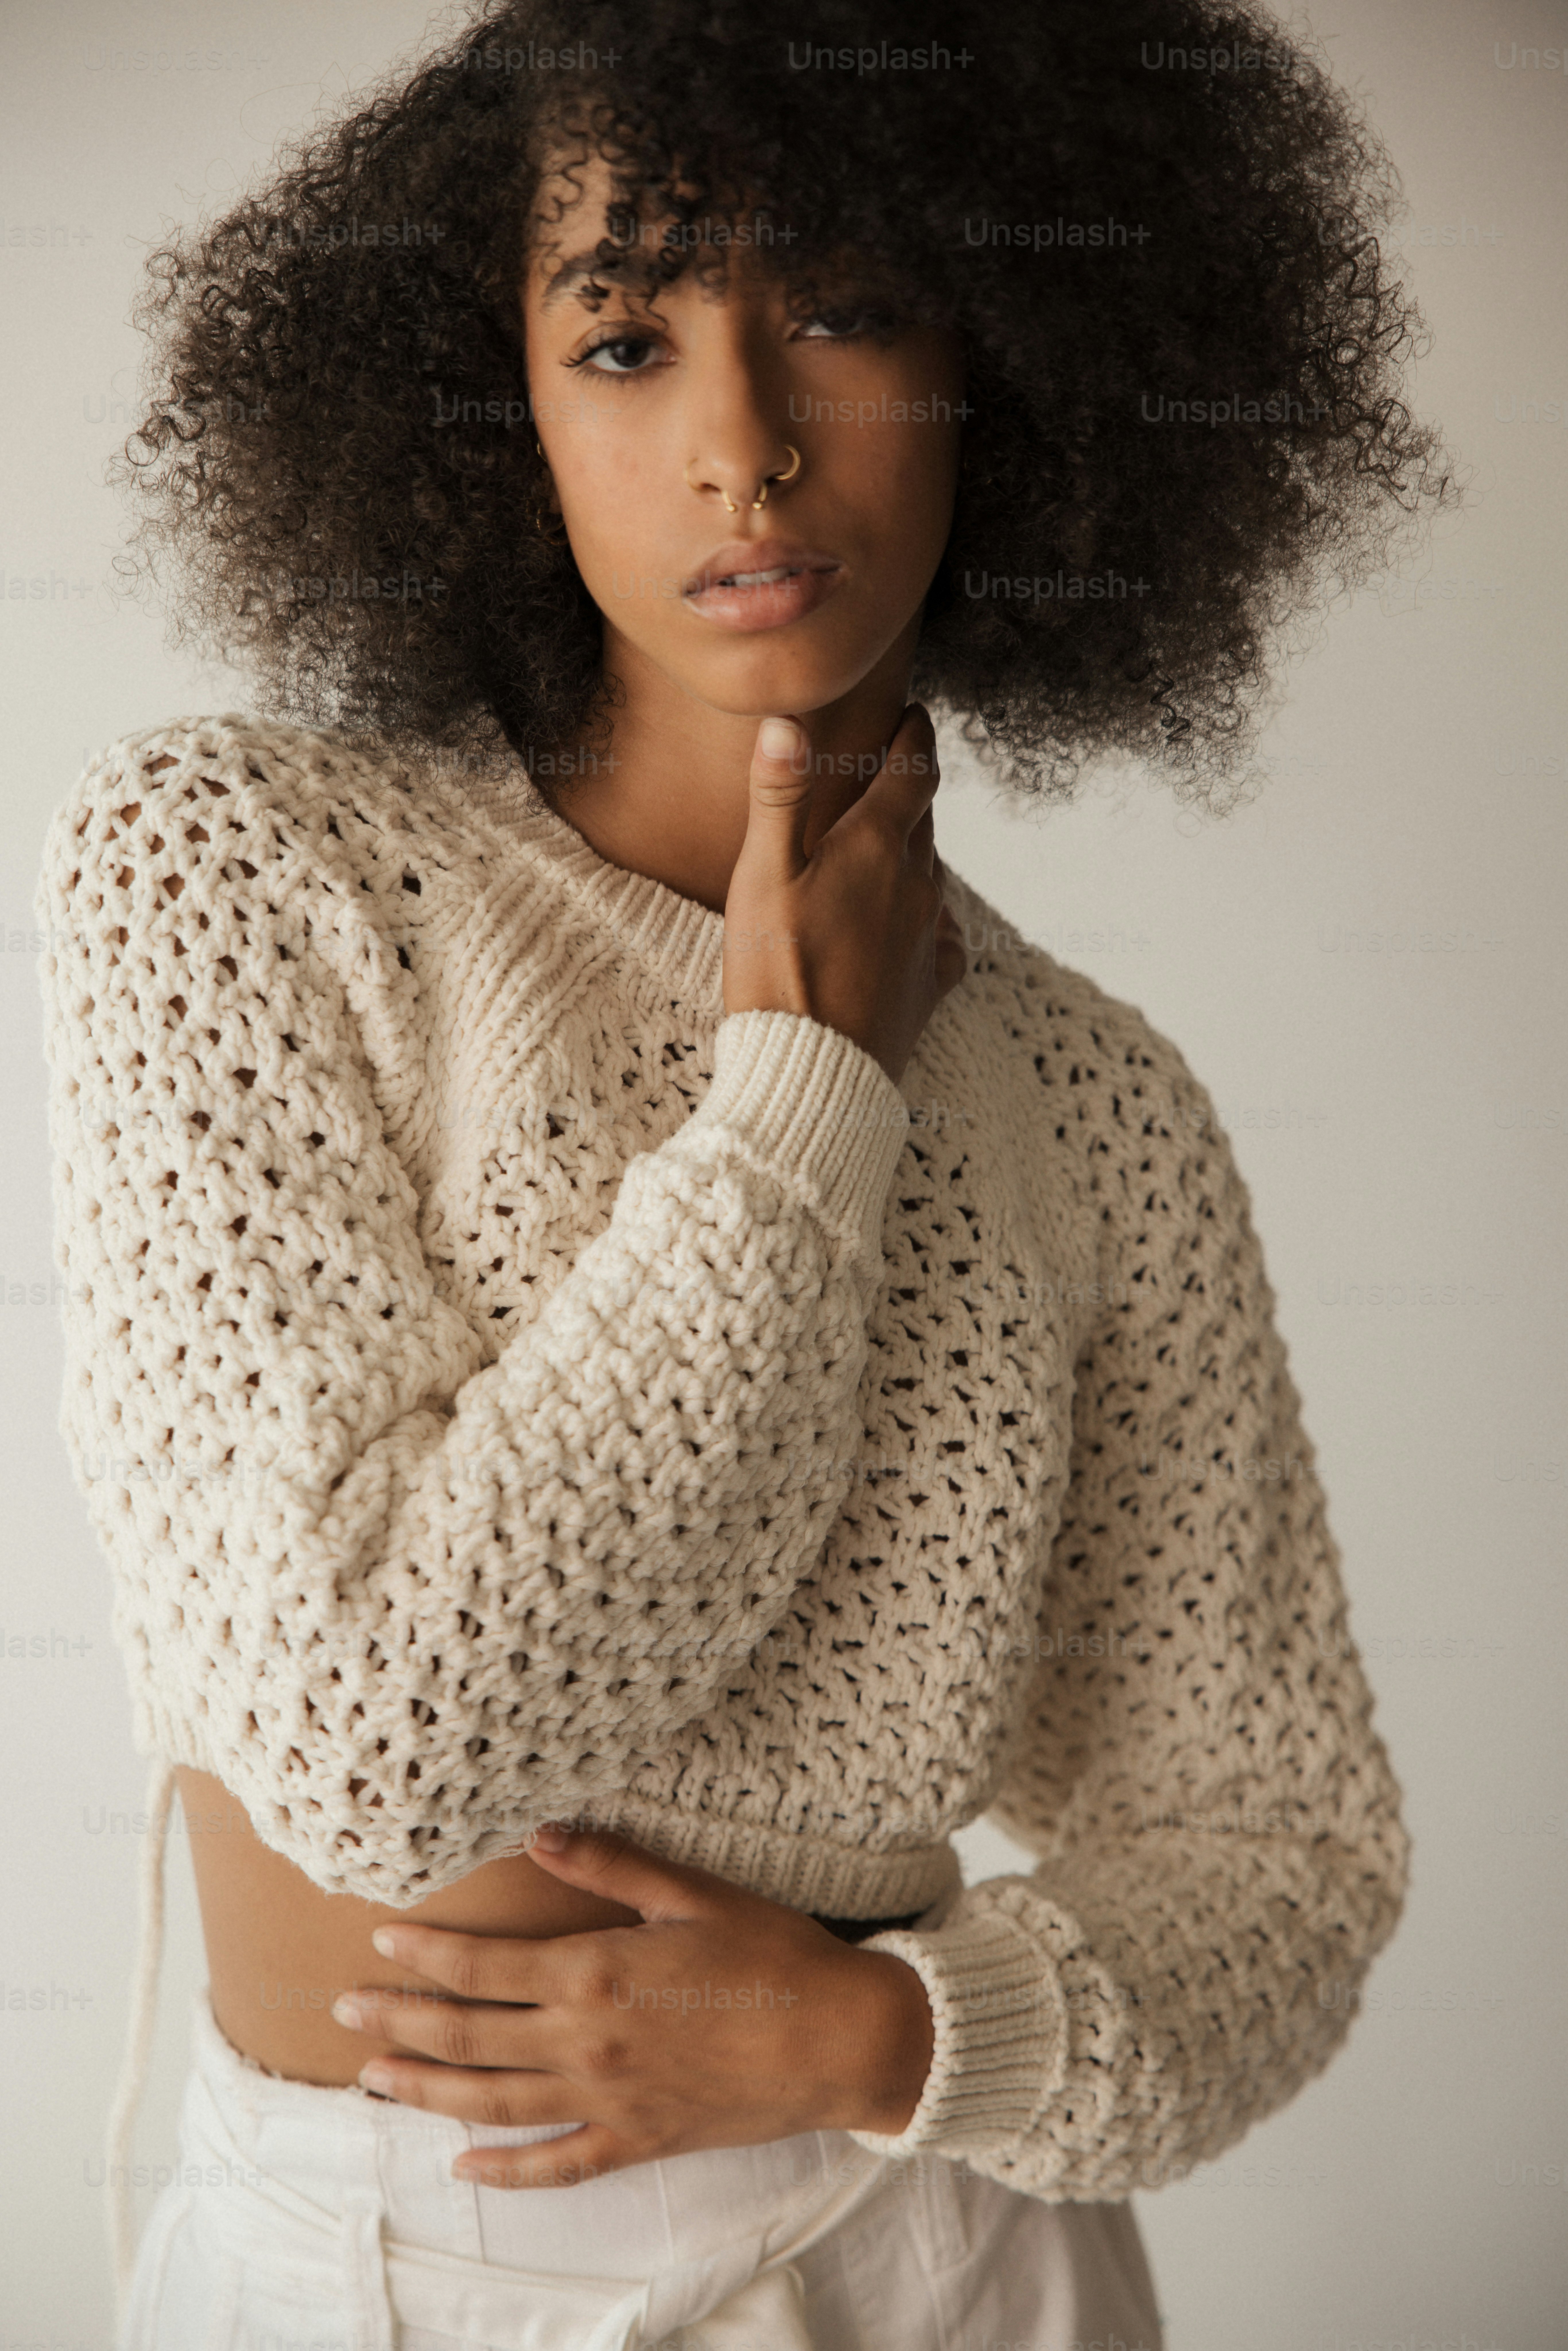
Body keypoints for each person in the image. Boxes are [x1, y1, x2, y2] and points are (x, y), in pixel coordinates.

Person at [36, 2, 1452, 2344]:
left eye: (844, 306)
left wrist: (886, 2036)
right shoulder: (239, 872)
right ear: (491, 406)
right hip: (351, 2265)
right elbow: (372, 1744)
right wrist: (799, 1095)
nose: (744, 448)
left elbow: (1277, 1861)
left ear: (1014, 355)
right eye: (623, 335)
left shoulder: (1102, 1112)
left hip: (928, 2257)